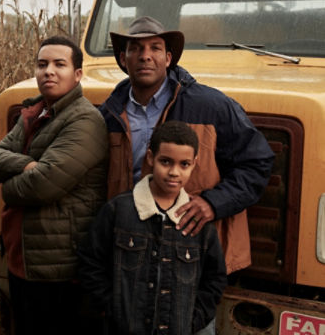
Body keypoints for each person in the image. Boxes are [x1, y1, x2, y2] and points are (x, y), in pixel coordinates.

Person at [100, 16, 274, 277]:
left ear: (168, 59)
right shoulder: (109, 114)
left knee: (195, 318)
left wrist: (213, 203)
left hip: (194, 254)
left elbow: (257, 162)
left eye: (155, 48)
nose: (145, 56)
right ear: (124, 60)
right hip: (131, 252)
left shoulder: (212, 106)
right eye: (135, 49)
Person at [0, 35, 108, 335]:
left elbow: (42, 186)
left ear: (77, 74)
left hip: (58, 267)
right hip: (25, 258)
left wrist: (7, 189)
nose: (48, 71)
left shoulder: (85, 121)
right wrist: (27, 166)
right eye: (42, 64)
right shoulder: (35, 112)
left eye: (59, 64)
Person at [78, 120, 227, 335]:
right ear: (150, 158)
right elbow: (90, 261)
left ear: (194, 164)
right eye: (165, 162)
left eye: (184, 164)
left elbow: (215, 279)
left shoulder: (198, 223)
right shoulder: (119, 210)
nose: (174, 172)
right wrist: (111, 309)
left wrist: (192, 320)